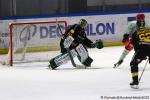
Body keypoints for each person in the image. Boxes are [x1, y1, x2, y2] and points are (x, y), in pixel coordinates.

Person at [129, 14, 150, 89]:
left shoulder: (135, 33)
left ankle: (135, 82)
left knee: (133, 63)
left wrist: (140, 55)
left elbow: (135, 46)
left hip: (142, 49)